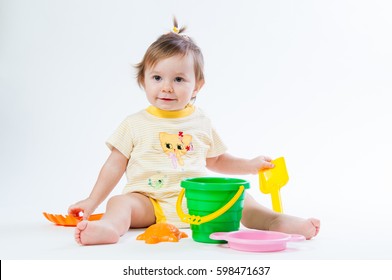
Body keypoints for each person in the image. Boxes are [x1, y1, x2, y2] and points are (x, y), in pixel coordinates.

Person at [68, 19, 320, 245]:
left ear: (197, 85)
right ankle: (110, 227)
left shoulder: (201, 122)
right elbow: (114, 165)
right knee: (120, 203)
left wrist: (250, 166)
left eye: (178, 79)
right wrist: (92, 201)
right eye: (157, 78)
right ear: (143, 79)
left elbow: (217, 160)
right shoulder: (134, 123)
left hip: (199, 201)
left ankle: (275, 221)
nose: (166, 87)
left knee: (241, 198)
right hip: (149, 202)